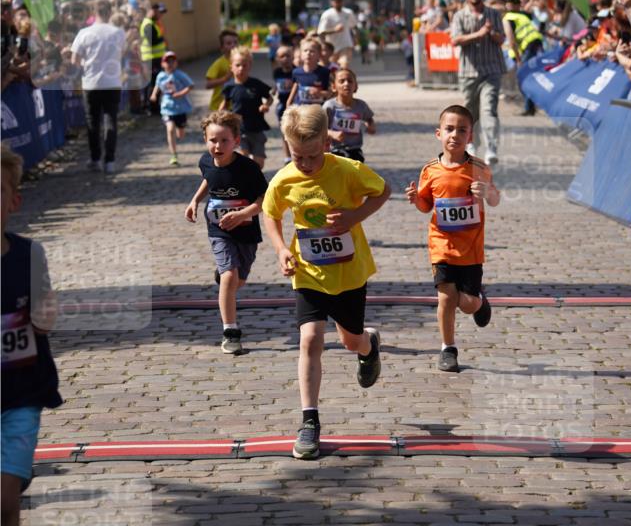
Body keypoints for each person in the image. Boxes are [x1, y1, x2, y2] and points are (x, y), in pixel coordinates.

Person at [262, 105, 390, 460]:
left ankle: (368, 346)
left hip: (348, 273)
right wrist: (279, 250)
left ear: (326, 140)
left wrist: (353, 217)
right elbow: (270, 214)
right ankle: (309, 421)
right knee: (310, 338)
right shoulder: (284, 179)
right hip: (308, 271)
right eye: (296, 155)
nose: (304, 163)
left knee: (350, 341)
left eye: (312, 155)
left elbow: (383, 190)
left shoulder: (347, 170)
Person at [1, 145, 62, 526]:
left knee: (4, 501)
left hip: (19, 395)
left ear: (13, 201)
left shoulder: (28, 253)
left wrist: (40, 314)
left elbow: (46, 313)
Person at [406, 105, 500, 374]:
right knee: (446, 297)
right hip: (441, 245)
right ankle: (448, 348)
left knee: (467, 303)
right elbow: (426, 204)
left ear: (470, 136)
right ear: (438, 133)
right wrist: (416, 200)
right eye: (449, 129)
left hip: (471, 249)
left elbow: (496, 199)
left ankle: (479, 302)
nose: (454, 135)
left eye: (462, 130)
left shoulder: (479, 168)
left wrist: (487, 192)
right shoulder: (430, 171)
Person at [185, 111, 268, 355]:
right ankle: (230, 332)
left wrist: (243, 215)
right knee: (230, 277)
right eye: (212, 140)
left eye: (224, 141)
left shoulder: (248, 169)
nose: (218, 146)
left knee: (236, 281)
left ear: (236, 141)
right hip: (218, 230)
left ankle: (224, 277)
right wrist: (194, 201)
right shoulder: (205, 161)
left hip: (246, 232)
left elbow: (264, 200)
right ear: (205, 140)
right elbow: (208, 180)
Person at [449, 0, 506, 165]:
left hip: (491, 69)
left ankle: (492, 147)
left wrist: (491, 33)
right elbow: (455, 40)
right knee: (469, 112)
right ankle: (471, 143)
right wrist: (479, 34)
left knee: (489, 108)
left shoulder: (493, 14)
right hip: (469, 71)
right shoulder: (459, 16)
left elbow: (501, 39)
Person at [70, 0, 126, 174]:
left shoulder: (84, 33)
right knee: (111, 121)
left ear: (94, 13)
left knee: (92, 122)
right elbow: (121, 54)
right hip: (112, 82)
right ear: (110, 12)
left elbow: (74, 60)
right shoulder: (118, 33)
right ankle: (110, 161)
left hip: (92, 82)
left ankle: (95, 158)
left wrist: (88, 64)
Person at [222, 47, 273, 170]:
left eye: (245, 65)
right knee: (242, 157)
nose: (241, 68)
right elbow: (224, 104)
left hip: (256, 128)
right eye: (238, 65)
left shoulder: (256, 84)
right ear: (231, 67)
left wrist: (266, 105)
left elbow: (269, 97)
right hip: (239, 128)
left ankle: (254, 177)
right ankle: (245, 183)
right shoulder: (229, 87)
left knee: (258, 163)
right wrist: (220, 115)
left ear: (250, 66)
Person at [150, 51, 194, 166]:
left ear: (176, 63)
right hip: (166, 108)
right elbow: (157, 85)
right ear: (162, 64)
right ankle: (173, 154)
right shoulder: (161, 76)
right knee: (170, 129)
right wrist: (154, 94)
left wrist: (180, 94)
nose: (170, 64)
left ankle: (180, 131)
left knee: (180, 133)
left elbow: (191, 86)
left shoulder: (180, 75)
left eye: (172, 61)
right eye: (167, 61)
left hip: (180, 108)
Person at [502, 0, 543, 116]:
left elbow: (511, 40)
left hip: (528, 46)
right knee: (528, 76)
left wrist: (518, 59)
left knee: (523, 77)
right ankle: (530, 106)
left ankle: (529, 107)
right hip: (535, 43)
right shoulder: (523, 15)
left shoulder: (508, 18)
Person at [322, 67, 375, 162]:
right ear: (334, 86)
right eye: (342, 81)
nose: (346, 84)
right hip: (335, 151)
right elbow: (319, 129)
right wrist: (332, 134)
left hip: (355, 151)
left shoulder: (361, 105)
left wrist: (371, 126)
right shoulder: (329, 106)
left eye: (350, 81)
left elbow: (369, 119)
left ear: (356, 86)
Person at [285, 37, 331, 107]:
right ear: (301, 54)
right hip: (301, 109)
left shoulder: (325, 72)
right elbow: (295, 87)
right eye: (305, 51)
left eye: (312, 51)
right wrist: (288, 103)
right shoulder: (296, 72)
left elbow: (332, 93)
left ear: (319, 54)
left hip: (317, 110)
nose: (308, 53)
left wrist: (320, 93)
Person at [139, 3, 168, 113]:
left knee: (156, 82)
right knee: (152, 83)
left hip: (155, 58)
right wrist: (162, 39)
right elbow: (153, 41)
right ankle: (151, 107)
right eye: (157, 11)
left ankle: (153, 105)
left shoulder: (153, 23)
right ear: (151, 11)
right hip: (150, 59)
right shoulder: (148, 24)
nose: (159, 14)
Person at [272, 44, 295, 164]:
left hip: (295, 105)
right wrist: (273, 90)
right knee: (284, 131)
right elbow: (276, 85)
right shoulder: (277, 72)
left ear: (293, 57)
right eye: (282, 56)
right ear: (277, 58)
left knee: (296, 130)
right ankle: (287, 156)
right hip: (282, 104)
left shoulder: (297, 71)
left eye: (288, 55)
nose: (285, 58)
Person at [205, 29, 238, 112]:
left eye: (235, 42)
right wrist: (225, 78)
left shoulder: (241, 62)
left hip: (236, 104)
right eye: (229, 43)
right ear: (222, 48)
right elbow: (208, 84)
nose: (233, 45)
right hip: (219, 106)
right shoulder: (219, 63)